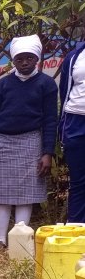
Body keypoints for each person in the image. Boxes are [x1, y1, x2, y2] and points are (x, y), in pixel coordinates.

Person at [0, 35, 57, 250]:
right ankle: (0, 240)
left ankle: (19, 240)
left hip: (31, 141)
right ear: (13, 60)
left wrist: (47, 152)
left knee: (26, 194)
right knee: (2, 194)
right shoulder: (3, 84)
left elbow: (51, 120)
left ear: (37, 59)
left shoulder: (46, 84)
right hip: (2, 143)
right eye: (20, 59)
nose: (24, 62)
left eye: (29, 58)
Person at [60, 40, 85, 224]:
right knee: (78, 181)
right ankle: (76, 232)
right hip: (76, 120)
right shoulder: (74, 56)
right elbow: (64, 91)